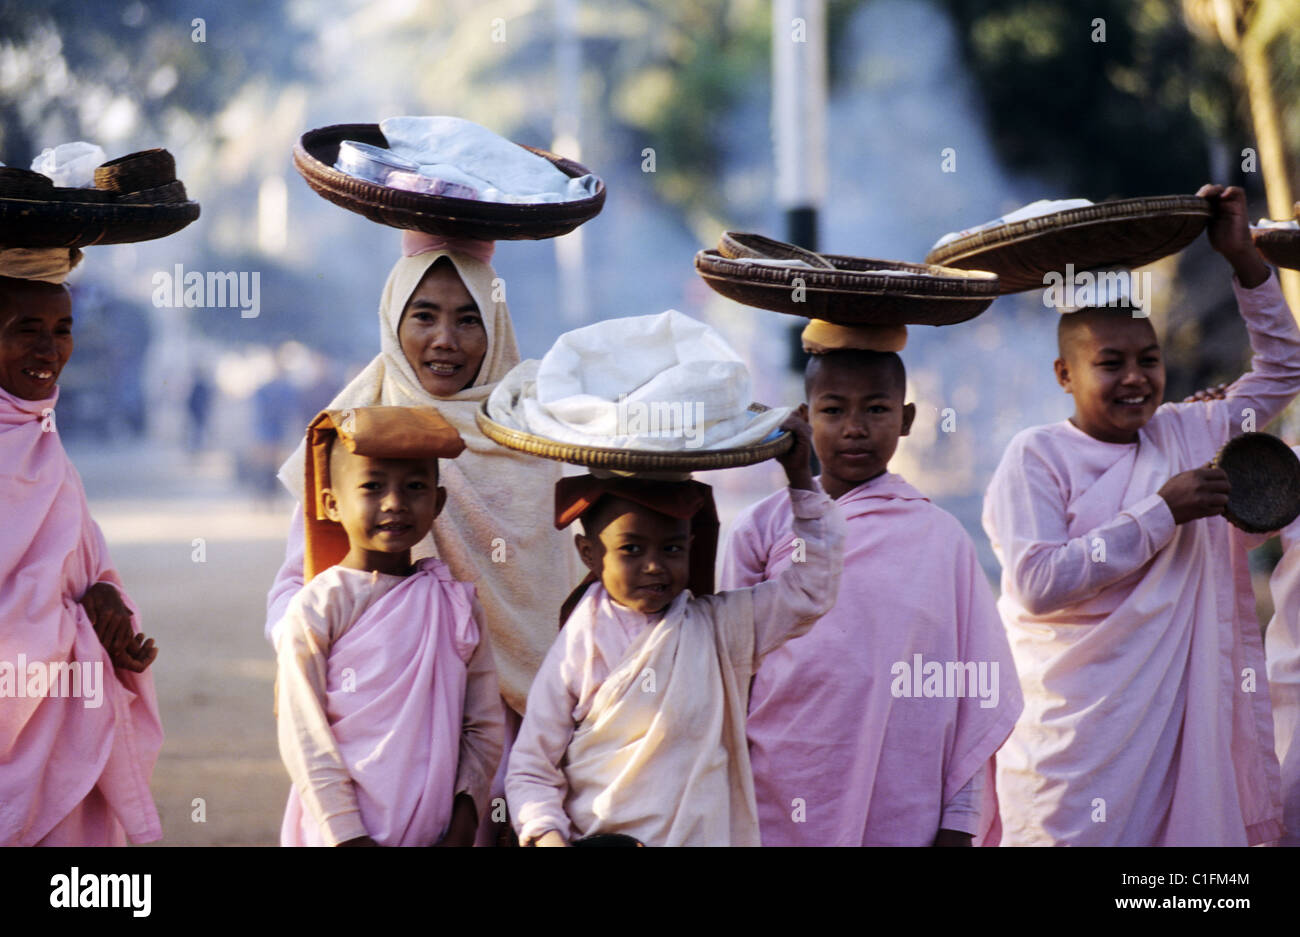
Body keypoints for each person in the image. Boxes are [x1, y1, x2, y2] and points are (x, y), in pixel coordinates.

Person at [982, 184, 1300, 845]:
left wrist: (1241, 258)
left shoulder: (1186, 431)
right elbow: (1038, 584)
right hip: (1073, 749)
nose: (1135, 378)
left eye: (1148, 360)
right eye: (1111, 363)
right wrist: (1163, 512)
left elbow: (1286, 367)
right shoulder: (1034, 456)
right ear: (1064, 374)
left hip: (1179, 737)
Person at [265, 239, 582, 842]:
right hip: (370, 750)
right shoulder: (356, 430)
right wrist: (353, 648)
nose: (445, 340)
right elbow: (293, 590)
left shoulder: (538, 439)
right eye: (424, 316)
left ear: (497, 327)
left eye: (468, 319)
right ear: (393, 320)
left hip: (521, 732)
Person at [721, 321, 1022, 846]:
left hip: (905, 803)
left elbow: (975, 696)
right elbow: (724, 676)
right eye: (833, 410)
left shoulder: (941, 540)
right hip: (775, 792)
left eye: (876, 409)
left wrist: (960, 822)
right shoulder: (761, 528)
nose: (854, 428)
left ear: (905, 419)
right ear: (805, 418)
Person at [505, 410, 845, 846]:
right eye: (631, 549)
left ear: (692, 545)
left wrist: (800, 481)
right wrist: (547, 835)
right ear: (589, 554)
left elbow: (809, 590)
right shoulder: (578, 643)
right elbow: (532, 768)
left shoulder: (722, 630)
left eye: (671, 548)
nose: (654, 566)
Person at [276, 406, 503, 846]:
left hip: (436, 830)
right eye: (372, 486)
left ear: (437, 503)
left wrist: (463, 821)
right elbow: (303, 734)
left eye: (415, 487)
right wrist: (346, 833)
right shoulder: (318, 608)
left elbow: (483, 726)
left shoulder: (455, 604)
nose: (395, 503)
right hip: (338, 830)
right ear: (331, 503)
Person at [0, 255, 163, 846]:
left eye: (62, 330)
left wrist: (107, 608)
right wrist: (77, 625)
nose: (49, 350)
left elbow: (78, 565)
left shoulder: (43, 442)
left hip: (69, 721)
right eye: (25, 330)